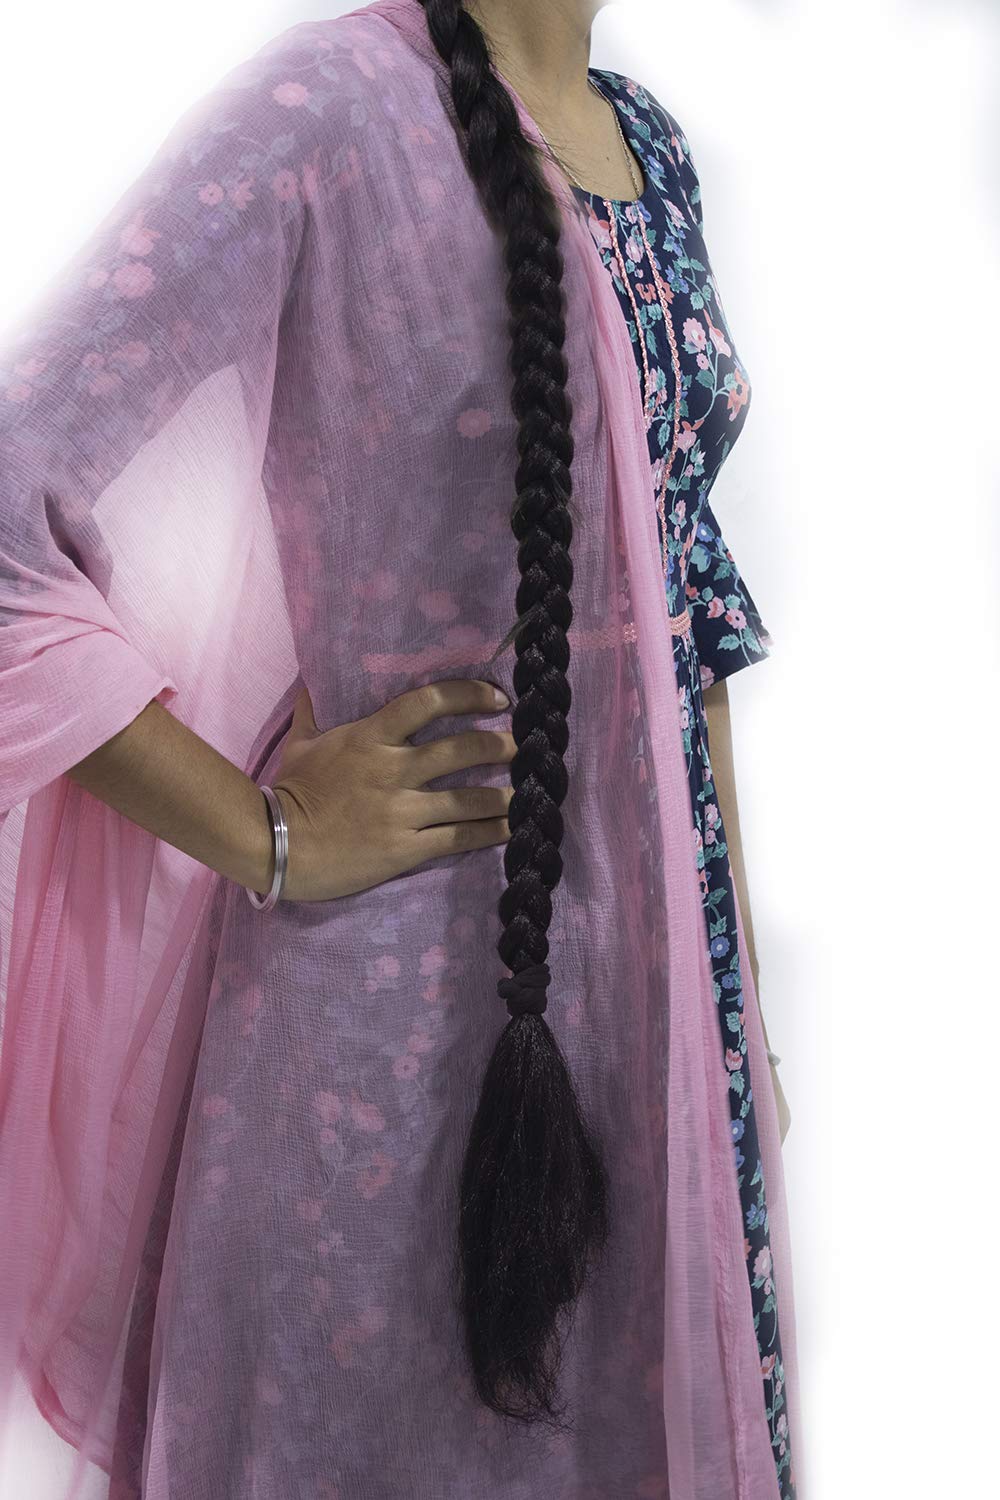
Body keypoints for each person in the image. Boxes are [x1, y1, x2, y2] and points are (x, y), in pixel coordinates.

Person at [0, 0, 801, 1495]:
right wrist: (266, 834)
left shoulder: (652, 149)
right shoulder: (333, 109)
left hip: (655, 1026)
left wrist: (732, 994)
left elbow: (686, 623)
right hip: (385, 1044)